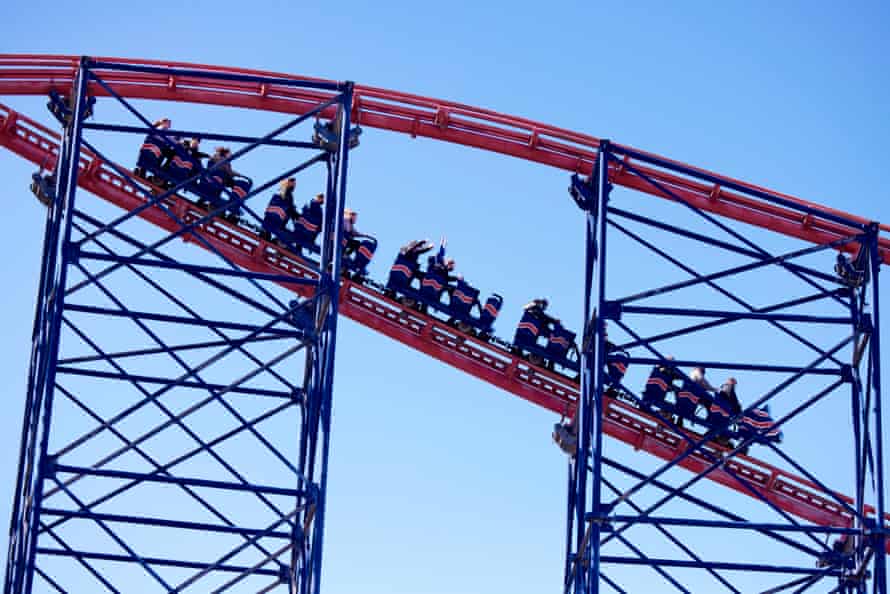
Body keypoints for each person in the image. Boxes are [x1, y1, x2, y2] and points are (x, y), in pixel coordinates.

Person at [260, 178, 298, 245]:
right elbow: (291, 212)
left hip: (267, 222)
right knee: (293, 237)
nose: (294, 186)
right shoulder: (288, 196)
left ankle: (268, 234)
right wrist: (296, 215)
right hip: (276, 225)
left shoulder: (277, 194)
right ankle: (278, 241)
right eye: (293, 184)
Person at [342, 208, 377, 278]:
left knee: (357, 244)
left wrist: (366, 236)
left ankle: (352, 260)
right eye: (354, 217)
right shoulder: (345, 221)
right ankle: (345, 255)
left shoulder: (350, 224)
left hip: (346, 239)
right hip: (342, 238)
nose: (355, 219)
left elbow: (355, 233)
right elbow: (351, 232)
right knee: (355, 243)